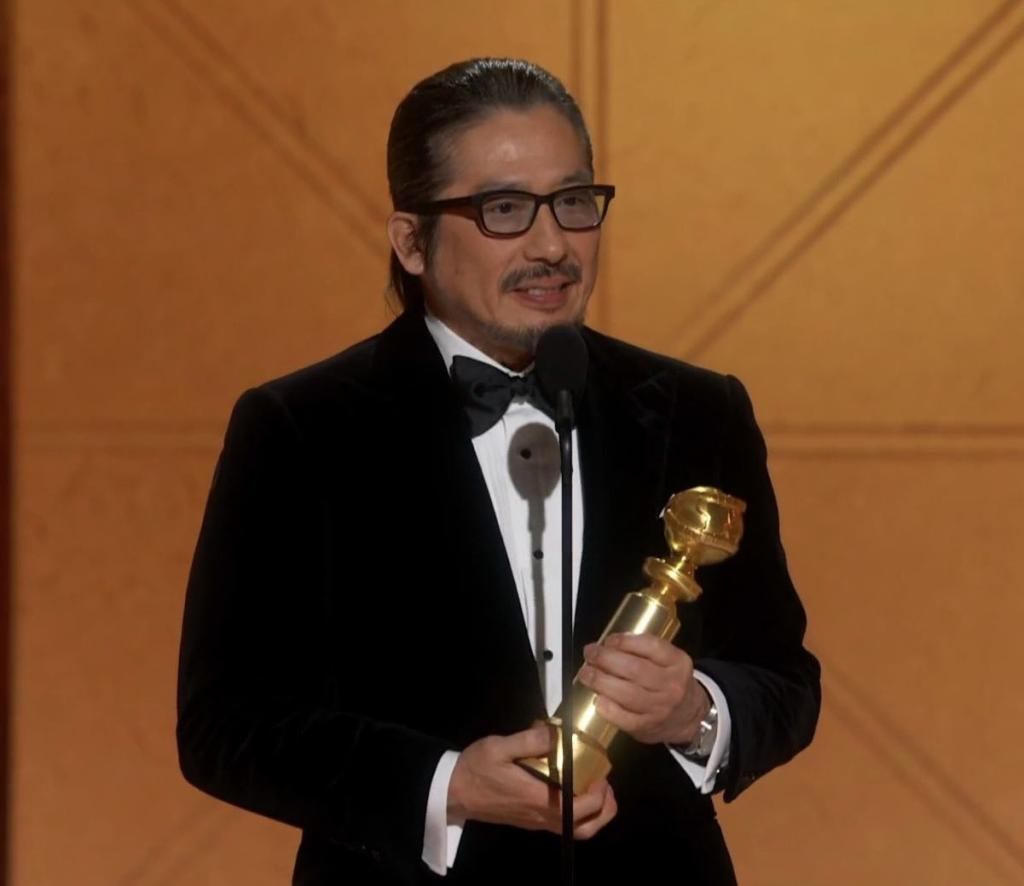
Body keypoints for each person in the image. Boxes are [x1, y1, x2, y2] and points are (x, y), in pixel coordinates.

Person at [177, 57, 820, 885]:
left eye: (576, 202)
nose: (553, 245)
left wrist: (698, 711)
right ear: (411, 240)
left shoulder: (701, 410)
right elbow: (226, 724)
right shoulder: (300, 428)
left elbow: (784, 678)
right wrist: (447, 784)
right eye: (504, 210)